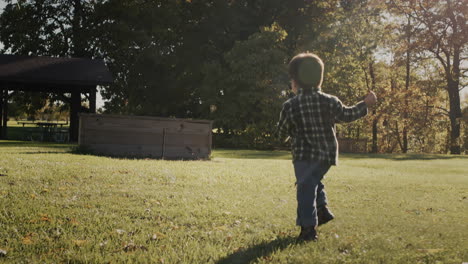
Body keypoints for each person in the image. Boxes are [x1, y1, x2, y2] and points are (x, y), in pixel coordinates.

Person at [277, 52, 377, 242]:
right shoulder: (329, 101)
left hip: (303, 155)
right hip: (326, 155)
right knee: (312, 180)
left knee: (305, 186)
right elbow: (347, 115)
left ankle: (308, 229)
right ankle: (322, 209)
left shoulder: (291, 105)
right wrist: (365, 104)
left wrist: (282, 136)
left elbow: (282, 130)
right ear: (319, 80)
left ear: (296, 81)